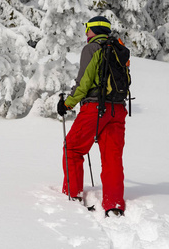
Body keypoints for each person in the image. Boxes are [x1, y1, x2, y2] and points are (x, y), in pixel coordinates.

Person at [57, 16, 128, 217]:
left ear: (94, 30)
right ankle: (114, 204)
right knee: (112, 157)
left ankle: (73, 195)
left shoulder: (92, 49)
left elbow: (84, 82)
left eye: (87, 29)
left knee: (72, 148)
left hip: (95, 109)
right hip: (118, 110)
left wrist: (67, 103)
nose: (86, 33)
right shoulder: (118, 49)